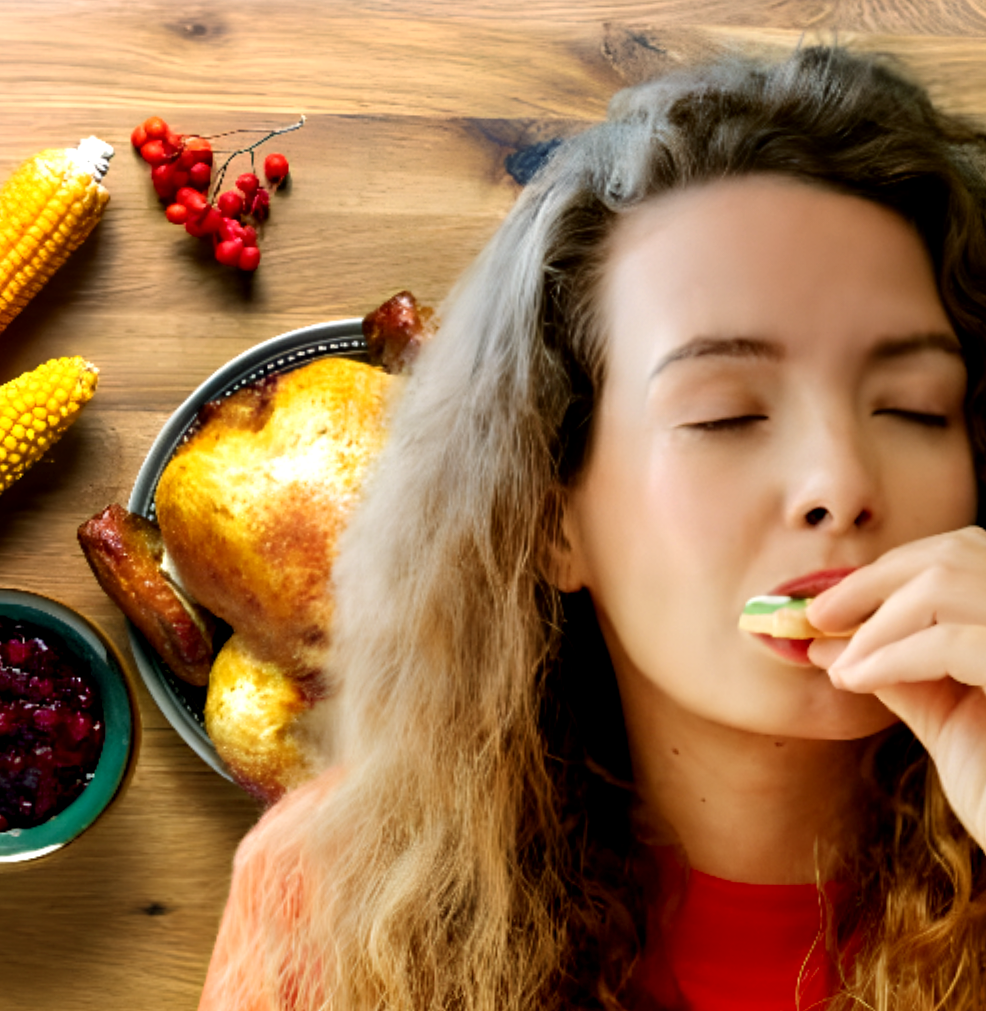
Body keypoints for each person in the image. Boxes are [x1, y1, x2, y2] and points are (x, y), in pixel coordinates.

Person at [199, 45, 986, 1011]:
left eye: (912, 407)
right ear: (551, 514)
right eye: (728, 413)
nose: (841, 483)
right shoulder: (322, 892)